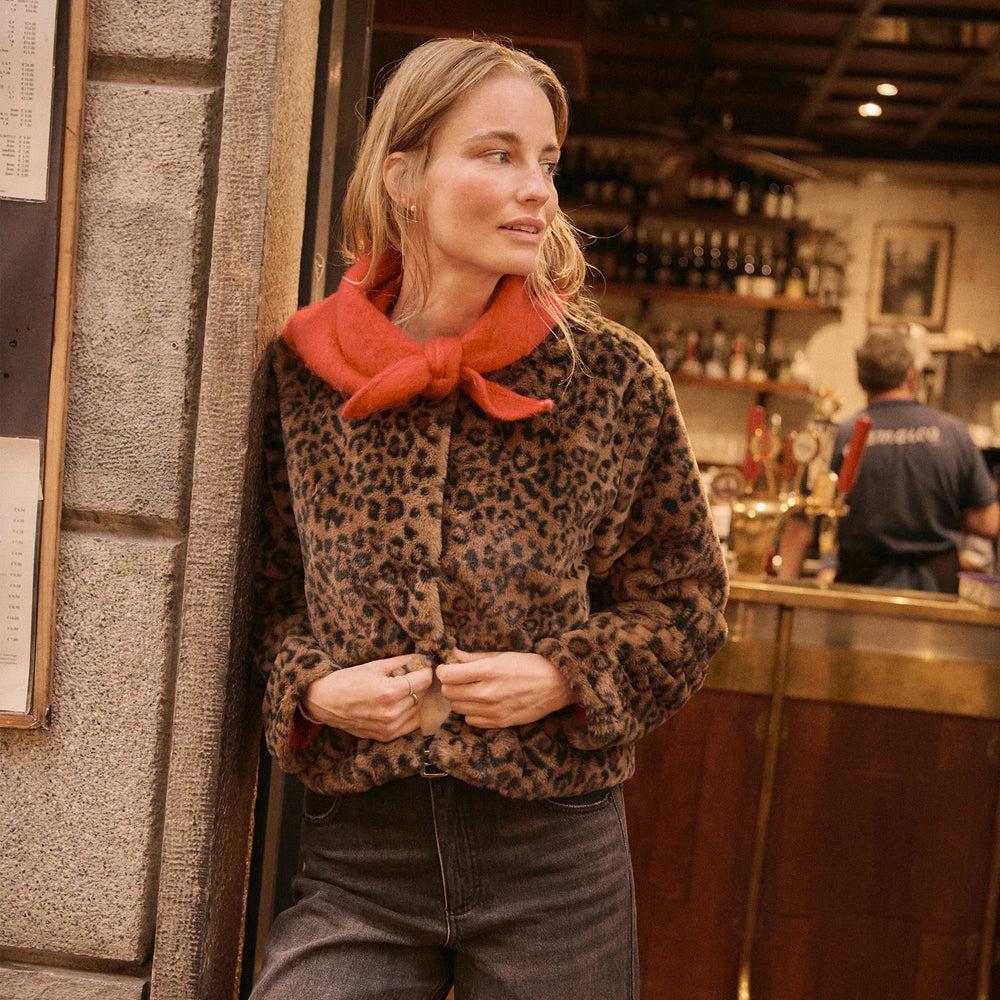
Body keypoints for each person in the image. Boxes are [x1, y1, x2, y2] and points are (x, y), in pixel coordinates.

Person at [249, 36, 729, 1000]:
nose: (536, 190)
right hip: (359, 856)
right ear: (404, 176)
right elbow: (260, 597)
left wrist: (566, 675)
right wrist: (310, 691)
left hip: (554, 854)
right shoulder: (304, 375)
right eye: (497, 153)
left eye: (546, 160)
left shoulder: (612, 377)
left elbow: (691, 607)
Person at [778, 328, 998, 592]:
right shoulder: (953, 433)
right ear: (911, 375)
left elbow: (800, 527)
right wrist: (941, 510)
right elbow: (988, 523)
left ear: (861, 381)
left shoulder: (836, 439)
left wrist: (783, 599)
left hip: (859, 588)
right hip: (935, 591)